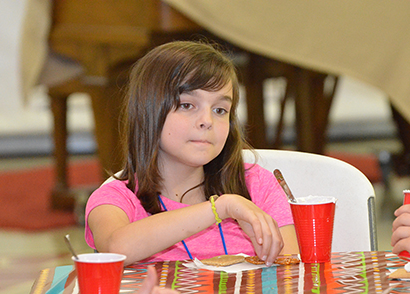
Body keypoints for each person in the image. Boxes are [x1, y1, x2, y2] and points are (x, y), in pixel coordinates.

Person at [85, 40, 299, 266]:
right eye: (187, 105)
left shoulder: (257, 184)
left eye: (220, 110)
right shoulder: (116, 199)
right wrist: (221, 208)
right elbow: (115, 250)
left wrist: (263, 246)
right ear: (148, 111)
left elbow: (291, 273)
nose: (207, 121)